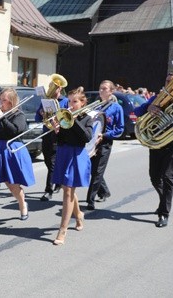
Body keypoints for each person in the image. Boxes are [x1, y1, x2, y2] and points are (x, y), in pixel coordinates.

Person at [0, 88, 35, 229]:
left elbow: (14, 131)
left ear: (11, 102)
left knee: (12, 184)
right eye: (0, 99)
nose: (1, 103)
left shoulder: (19, 115)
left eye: (4, 100)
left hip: (9, 150)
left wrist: (2, 117)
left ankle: (22, 204)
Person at [134, 73, 173, 228]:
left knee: (169, 178)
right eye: (169, 81)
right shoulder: (157, 97)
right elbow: (137, 112)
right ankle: (163, 201)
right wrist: (149, 107)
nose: (171, 84)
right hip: (156, 142)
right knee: (154, 177)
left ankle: (164, 213)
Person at [52, 87, 93, 245]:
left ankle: (62, 229)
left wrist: (73, 121)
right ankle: (79, 214)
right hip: (64, 153)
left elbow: (87, 137)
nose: (71, 104)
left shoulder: (86, 118)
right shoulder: (64, 117)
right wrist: (56, 130)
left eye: (75, 101)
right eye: (69, 101)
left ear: (82, 103)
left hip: (77, 155)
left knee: (68, 190)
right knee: (66, 188)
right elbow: (61, 139)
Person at [86, 80, 124, 210]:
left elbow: (120, 129)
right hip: (93, 142)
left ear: (111, 91)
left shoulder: (116, 107)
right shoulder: (95, 106)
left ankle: (90, 200)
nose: (101, 90)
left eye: (104, 89)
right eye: (100, 88)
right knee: (93, 169)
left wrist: (105, 135)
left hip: (105, 142)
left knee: (97, 171)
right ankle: (104, 191)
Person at [36, 80, 69, 201]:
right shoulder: (45, 101)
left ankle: (48, 191)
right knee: (47, 161)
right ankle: (58, 181)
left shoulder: (65, 101)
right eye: (50, 86)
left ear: (59, 88)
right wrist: (41, 113)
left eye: (54, 87)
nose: (51, 89)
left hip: (57, 134)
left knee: (52, 162)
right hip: (46, 133)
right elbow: (37, 117)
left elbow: (67, 119)